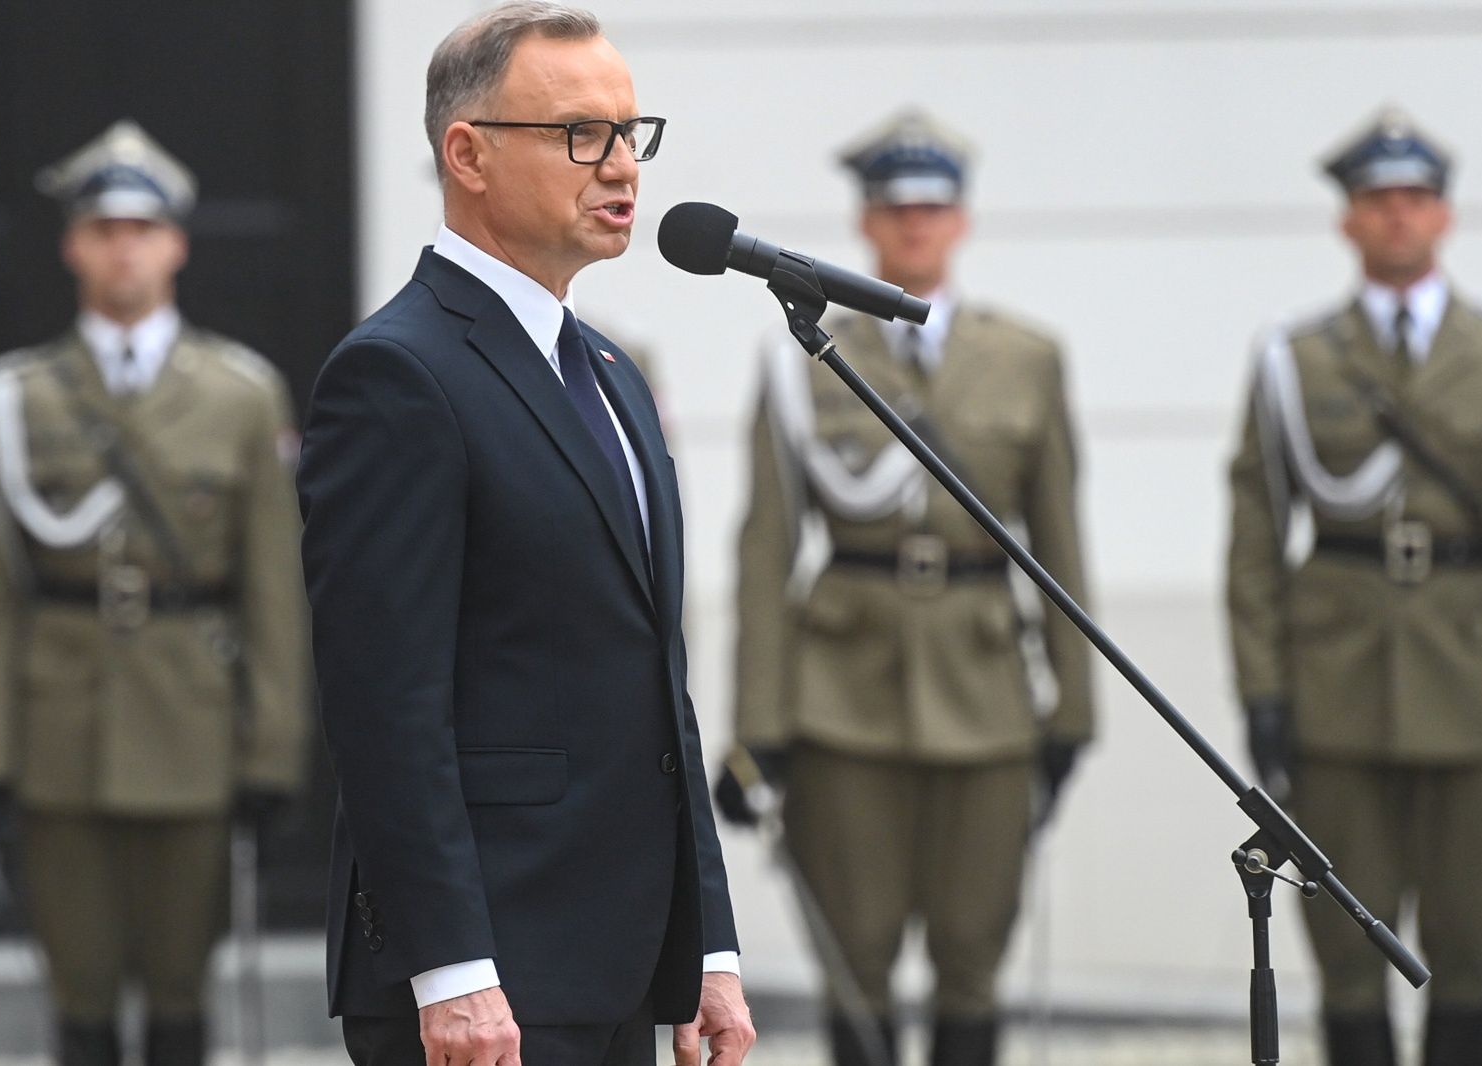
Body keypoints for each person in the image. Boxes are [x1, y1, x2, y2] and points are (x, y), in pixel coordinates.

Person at [295, 5, 755, 1066]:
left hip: (619, 962)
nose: (621, 167)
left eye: (630, 133)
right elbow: (384, 702)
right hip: (485, 978)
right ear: (468, 155)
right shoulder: (398, 373)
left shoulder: (611, 373)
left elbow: (658, 686)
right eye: (580, 134)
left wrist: (707, 947)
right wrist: (451, 967)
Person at [717, 108, 1095, 1066]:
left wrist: (1073, 710)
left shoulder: (1027, 359)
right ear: (867, 223)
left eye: (931, 210)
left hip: (987, 694)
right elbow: (766, 550)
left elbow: (1059, 543)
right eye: (895, 210)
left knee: (974, 954)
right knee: (857, 954)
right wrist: (758, 727)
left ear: (960, 220)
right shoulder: (802, 355)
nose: (914, 227)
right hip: (843, 699)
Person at [0, 119, 309, 1066]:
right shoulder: (16, 397)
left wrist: (272, 752)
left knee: (181, 993)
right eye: (103, 229)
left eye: (142, 230)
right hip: (55, 733)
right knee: (78, 995)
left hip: (191, 730)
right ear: (72, 245)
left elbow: (273, 589)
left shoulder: (241, 395)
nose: (124, 249)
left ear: (176, 244)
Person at [1226, 108, 1482, 1066]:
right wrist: (1263, 691)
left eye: (1415, 198)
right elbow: (1254, 539)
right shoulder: (1297, 359)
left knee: (1469, 945)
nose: (1398, 215)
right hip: (1336, 690)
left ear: (1443, 215)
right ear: (1349, 220)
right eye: (1378, 200)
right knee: (1348, 951)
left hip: (1473, 685)